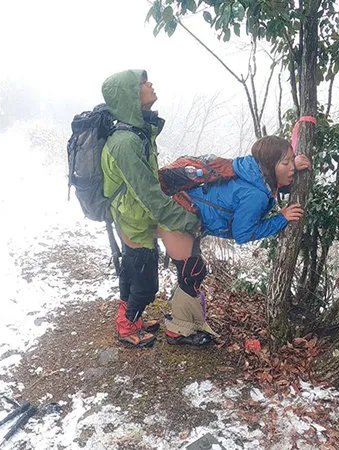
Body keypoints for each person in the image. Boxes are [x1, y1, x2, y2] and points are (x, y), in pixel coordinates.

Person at [159, 135, 311, 346]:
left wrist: (293, 165)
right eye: (286, 162)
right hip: (180, 214)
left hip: (184, 206)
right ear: (269, 165)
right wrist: (281, 219)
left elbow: (269, 180)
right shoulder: (255, 195)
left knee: (192, 271)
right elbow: (243, 234)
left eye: (290, 160)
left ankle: (185, 323)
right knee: (191, 272)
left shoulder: (250, 168)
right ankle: (178, 331)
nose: (291, 167)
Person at [100, 69, 201, 348]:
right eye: (143, 83)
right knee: (145, 283)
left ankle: (129, 319)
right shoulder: (126, 142)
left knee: (133, 272)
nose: (150, 84)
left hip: (136, 215)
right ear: (130, 96)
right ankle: (126, 327)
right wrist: (186, 220)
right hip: (133, 218)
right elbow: (148, 194)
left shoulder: (137, 132)